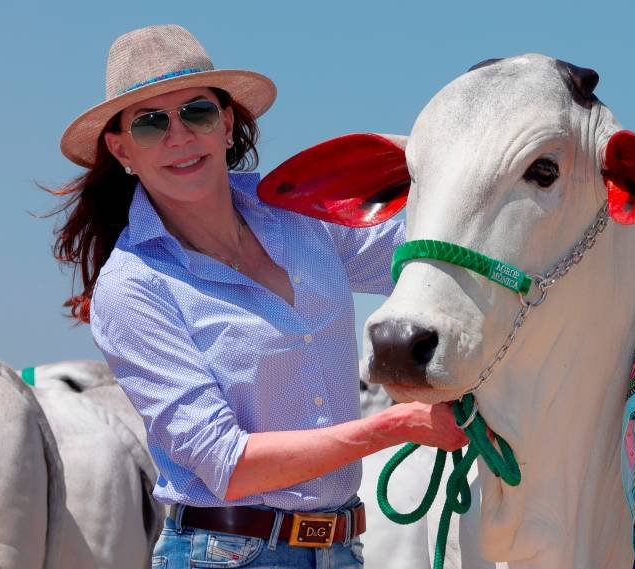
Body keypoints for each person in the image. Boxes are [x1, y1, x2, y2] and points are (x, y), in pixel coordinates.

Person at [51, 24, 467, 568]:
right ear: (121, 149)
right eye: (151, 124)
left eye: (196, 112)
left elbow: (433, 251)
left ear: (225, 124)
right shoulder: (132, 289)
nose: (179, 136)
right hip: (226, 555)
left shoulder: (301, 214)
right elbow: (227, 463)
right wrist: (392, 427)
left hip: (340, 550)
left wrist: (443, 159)